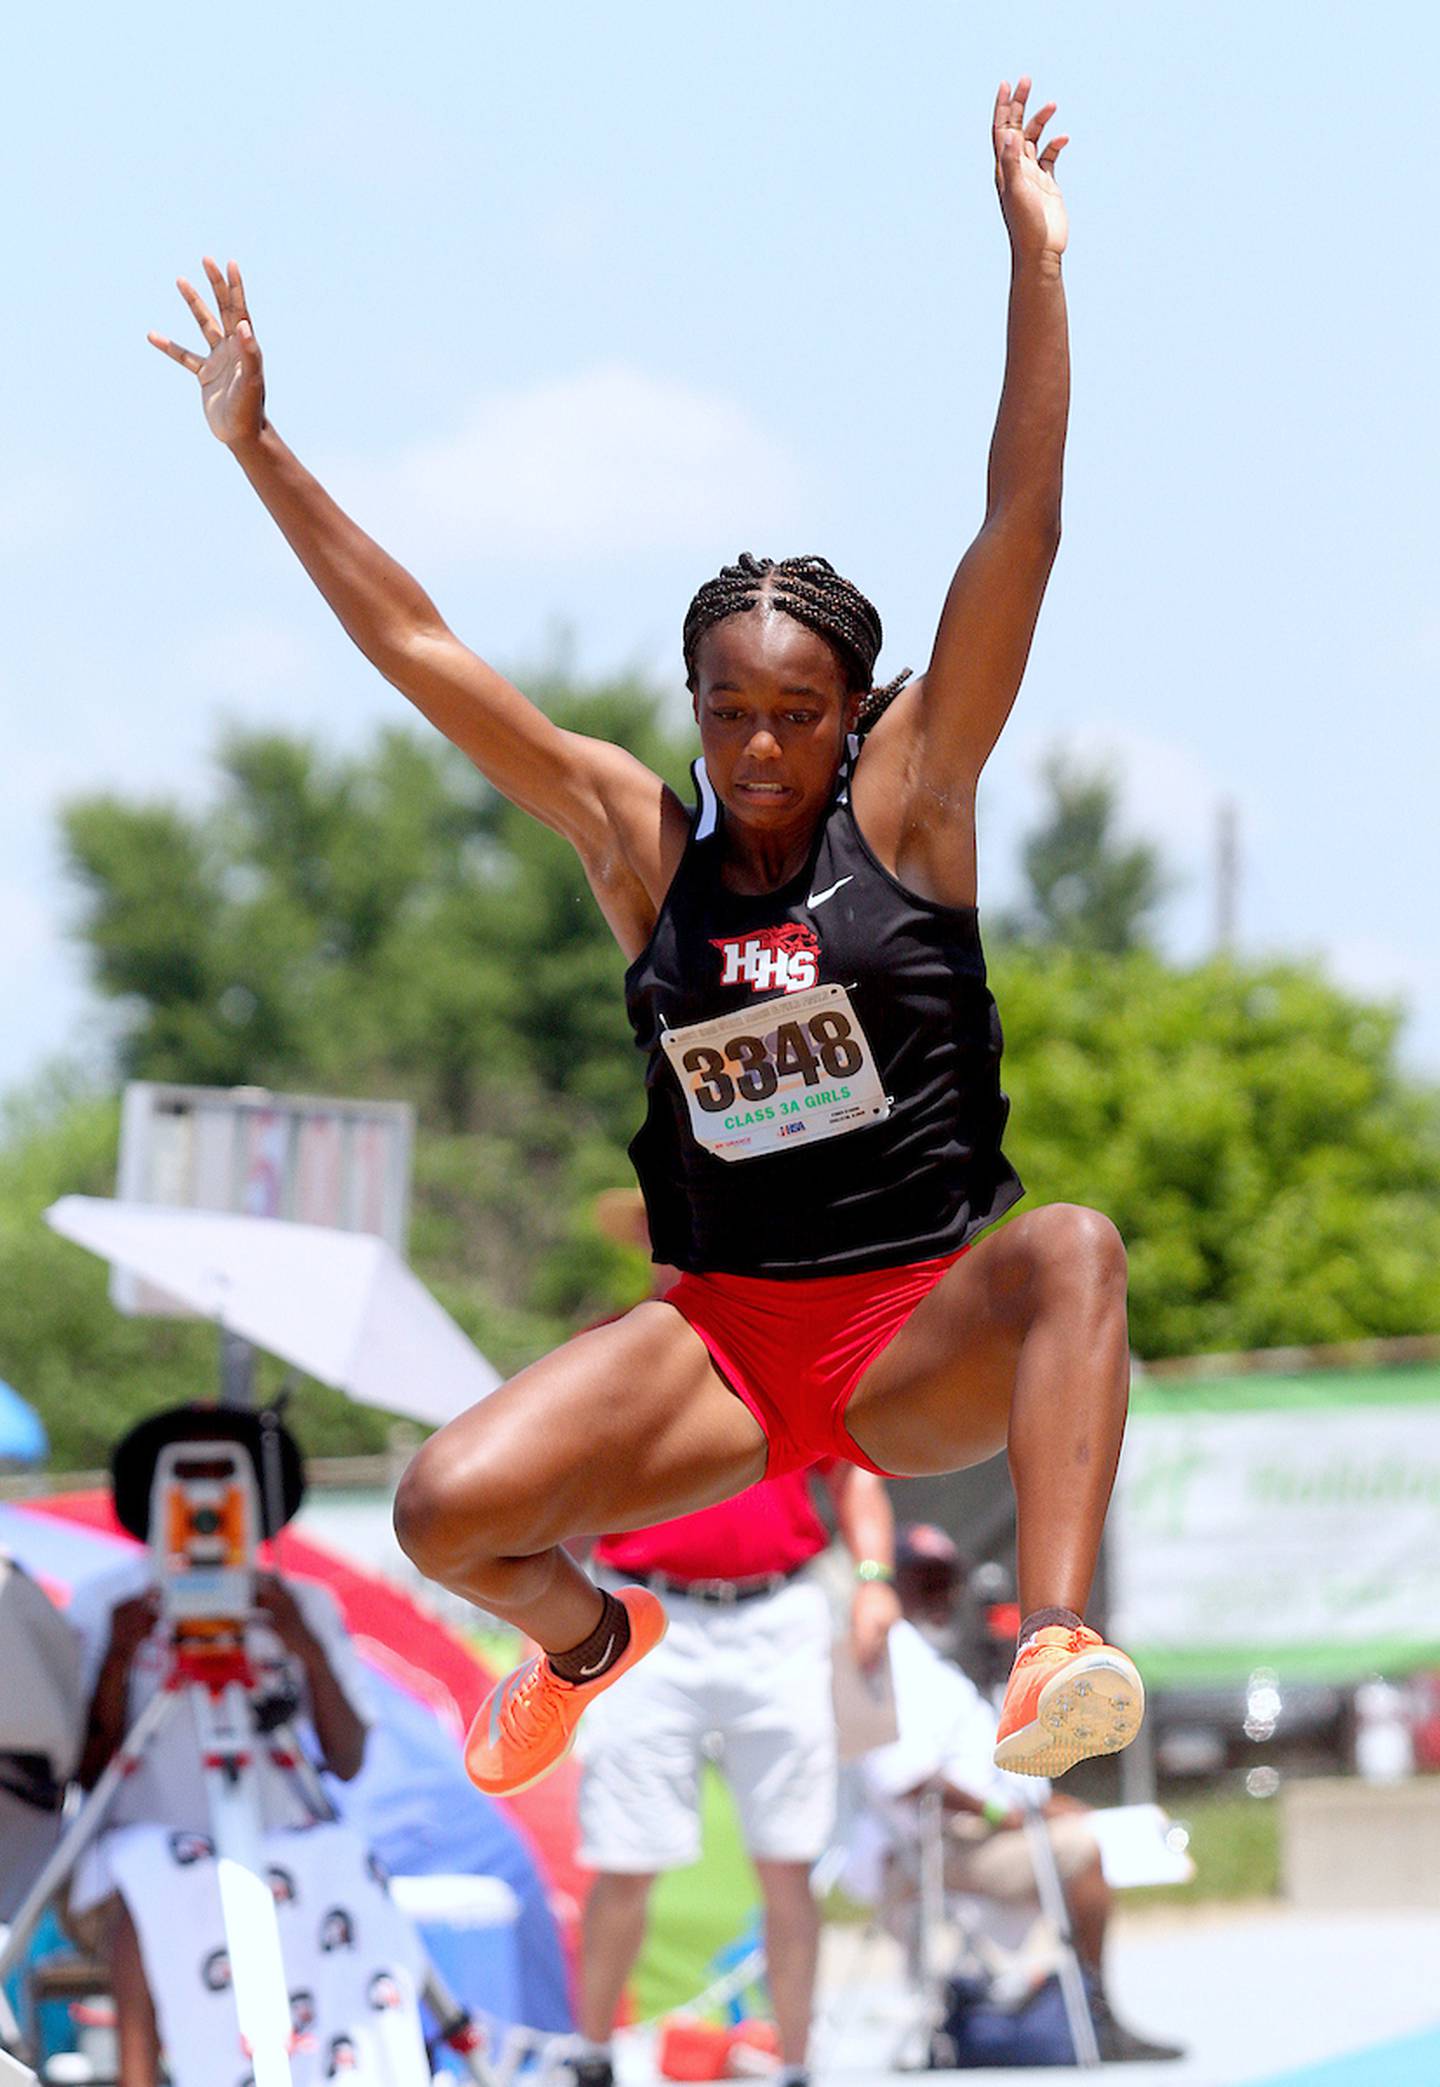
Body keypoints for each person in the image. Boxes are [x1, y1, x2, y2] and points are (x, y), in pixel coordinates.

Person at [150, 76, 1144, 1802]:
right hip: (725, 1346)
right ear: (693, 706)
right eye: (731, 711)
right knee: (443, 1507)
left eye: (798, 716)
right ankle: (591, 1643)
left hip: (919, 1324)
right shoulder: (639, 838)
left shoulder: (913, 803)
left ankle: (1051, 1643)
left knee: (1076, 1250)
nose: (761, 750)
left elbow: (1022, 532)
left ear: (854, 718)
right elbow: (427, 651)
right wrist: (260, 451)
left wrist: (1035, 262)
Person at [569, 1194, 898, 2087]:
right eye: (668, 1228)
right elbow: (555, 1489)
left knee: (789, 1861)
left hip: (777, 1613)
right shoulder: (608, 1349)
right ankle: (594, 2055)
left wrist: (873, 1580)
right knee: (623, 1854)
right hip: (645, 1615)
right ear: (648, 1243)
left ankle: (797, 2064)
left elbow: (858, 1474)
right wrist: (550, 1619)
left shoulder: (783, 1339)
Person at [69, 1406, 427, 2087]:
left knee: (346, 1860)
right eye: (187, 1473)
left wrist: (302, 1645)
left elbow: (347, 1760)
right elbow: (82, 1771)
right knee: (154, 1876)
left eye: (223, 1471)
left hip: (279, 1841)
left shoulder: (302, 1605)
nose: (206, 1493)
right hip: (146, 1843)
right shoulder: (107, 1605)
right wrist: (120, 1656)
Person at [845, 1525, 1183, 2066]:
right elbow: (908, 1777)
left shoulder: (931, 1656)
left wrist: (1032, 1810)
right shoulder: (880, 1655)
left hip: (981, 1830)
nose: (941, 1595)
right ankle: (1096, 2014)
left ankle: (1067, 2005)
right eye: (924, 1581)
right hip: (940, 1846)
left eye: (945, 1582)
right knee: (1083, 1849)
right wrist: (1010, 1816)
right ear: (893, 1583)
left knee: (1088, 1827)